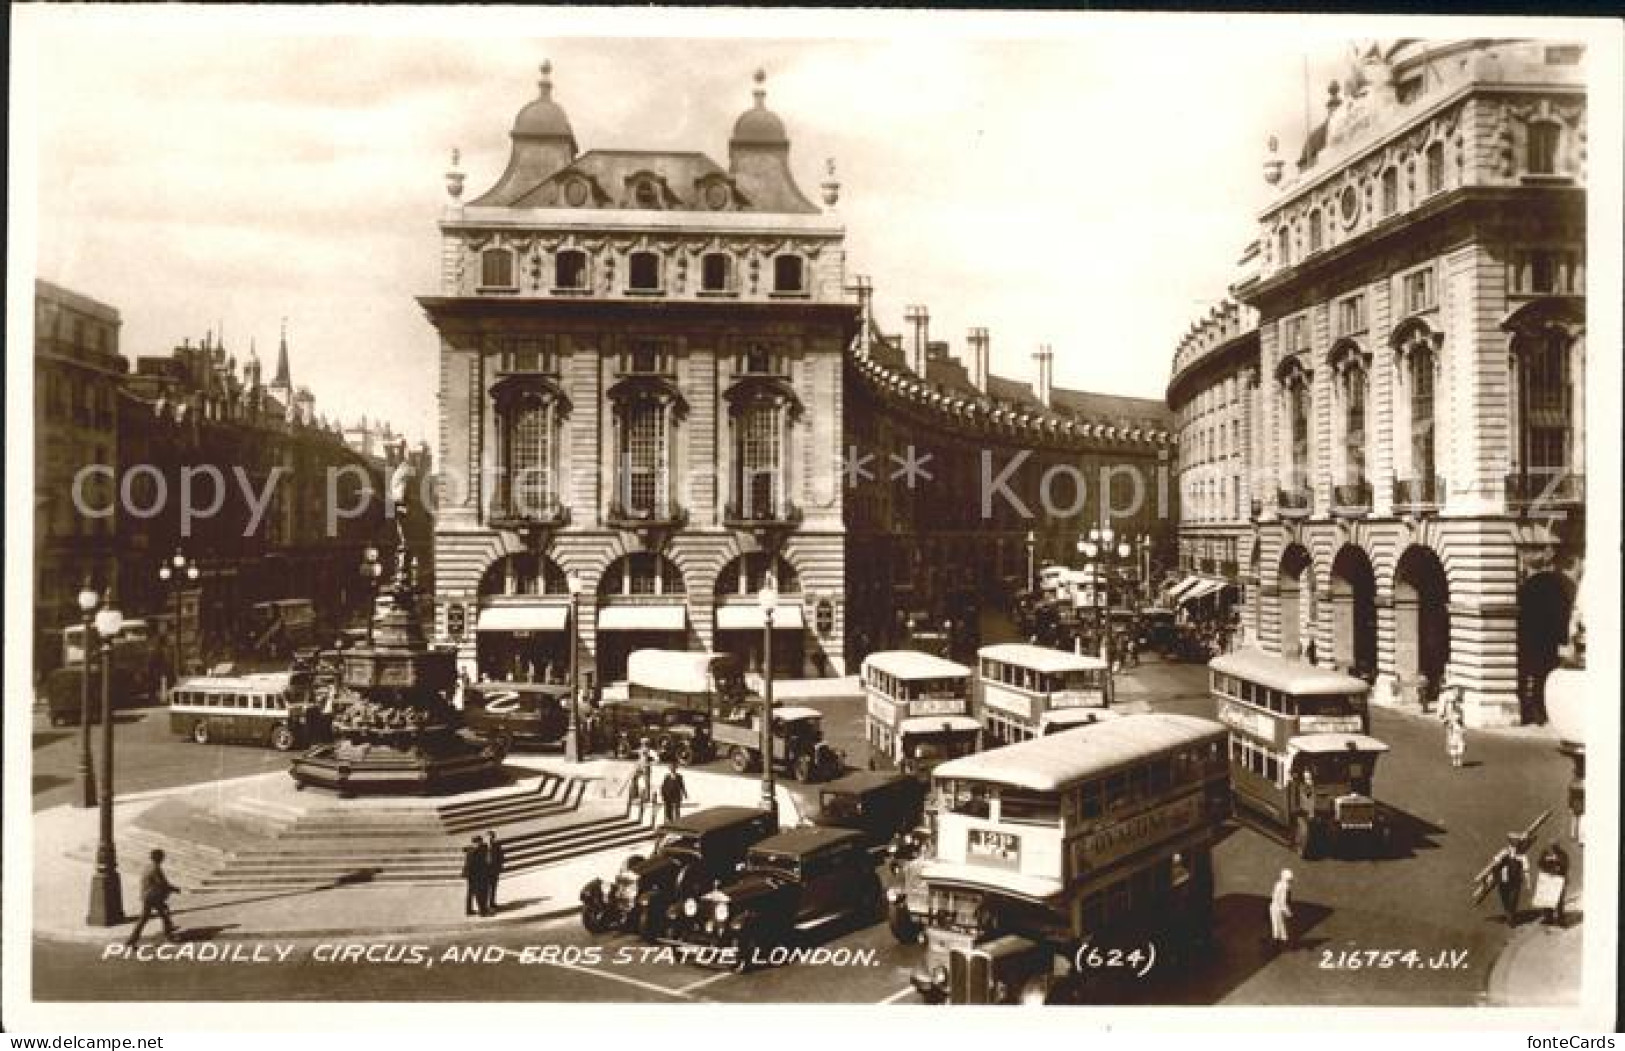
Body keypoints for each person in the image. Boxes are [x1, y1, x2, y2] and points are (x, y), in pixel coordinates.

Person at [127, 848, 181, 946]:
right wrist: (174, 889)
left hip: (147, 895)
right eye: (162, 857)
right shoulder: (155, 868)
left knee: (147, 917)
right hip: (153, 896)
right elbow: (162, 883)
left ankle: (132, 939)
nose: (163, 858)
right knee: (163, 914)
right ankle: (169, 935)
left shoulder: (148, 867)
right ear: (159, 858)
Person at [1491, 834, 1529, 926]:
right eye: (1513, 842)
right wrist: (1499, 859)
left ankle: (1510, 917)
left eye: (1516, 842)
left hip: (1515, 880)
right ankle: (1509, 915)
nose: (1514, 844)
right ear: (1510, 842)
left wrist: (1527, 882)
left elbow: (1526, 868)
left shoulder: (1521, 855)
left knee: (1513, 899)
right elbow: (1495, 861)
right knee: (1505, 898)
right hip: (1504, 879)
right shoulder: (1504, 851)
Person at [1535, 842, 1570, 926]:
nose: (1553, 848)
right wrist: (1546, 865)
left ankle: (1560, 920)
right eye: (1552, 846)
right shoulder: (1545, 853)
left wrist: (1558, 864)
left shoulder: (1562, 854)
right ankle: (1548, 918)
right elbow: (1539, 863)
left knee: (1559, 900)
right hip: (1548, 879)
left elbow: (1566, 864)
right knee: (1547, 899)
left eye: (1555, 846)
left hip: (1559, 879)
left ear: (1558, 846)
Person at [462, 835, 490, 917]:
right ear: (477, 842)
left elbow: (485, 846)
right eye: (479, 842)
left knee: (470, 892)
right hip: (475, 875)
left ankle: (469, 910)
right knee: (479, 893)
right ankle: (482, 912)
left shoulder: (472, 849)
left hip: (471, 875)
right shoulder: (474, 852)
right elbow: (472, 865)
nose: (481, 844)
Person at [1267, 868, 1294, 952]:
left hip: (1275, 907)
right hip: (1278, 908)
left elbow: (1277, 898)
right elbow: (1282, 901)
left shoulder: (1278, 884)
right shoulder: (1285, 887)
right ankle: (1282, 942)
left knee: (1277, 925)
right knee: (1280, 925)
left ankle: (1277, 942)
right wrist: (1288, 912)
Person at [483, 832, 506, 914]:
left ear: (493, 838)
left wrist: (499, 867)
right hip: (485, 871)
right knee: (485, 889)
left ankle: (492, 902)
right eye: (488, 838)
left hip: (494, 870)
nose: (489, 839)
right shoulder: (482, 847)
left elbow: (501, 857)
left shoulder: (497, 846)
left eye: (491, 838)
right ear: (485, 838)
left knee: (493, 887)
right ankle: (485, 905)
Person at [659, 761, 688, 825]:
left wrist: (685, 793)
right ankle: (669, 820)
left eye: (674, 768)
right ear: (670, 769)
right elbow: (663, 786)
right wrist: (662, 794)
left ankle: (677, 821)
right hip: (668, 795)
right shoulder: (667, 777)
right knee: (668, 809)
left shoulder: (679, 777)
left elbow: (682, 785)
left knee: (677, 808)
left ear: (676, 769)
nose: (673, 769)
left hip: (676, 795)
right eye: (671, 768)